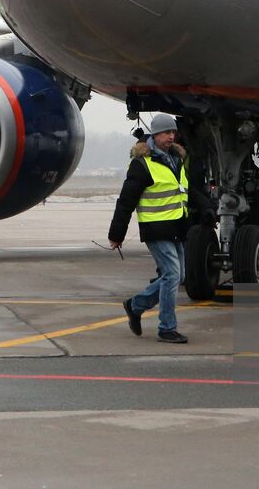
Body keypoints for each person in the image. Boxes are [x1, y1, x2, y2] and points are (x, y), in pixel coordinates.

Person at [109, 113, 189, 344]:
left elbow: (184, 191)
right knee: (172, 275)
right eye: (166, 133)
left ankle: (135, 306)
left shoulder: (176, 159)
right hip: (156, 229)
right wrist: (117, 234)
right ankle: (167, 328)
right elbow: (126, 201)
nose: (171, 136)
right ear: (155, 134)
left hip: (176, 226)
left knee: (177, 276)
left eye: (173, 132)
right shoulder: (142, 164)